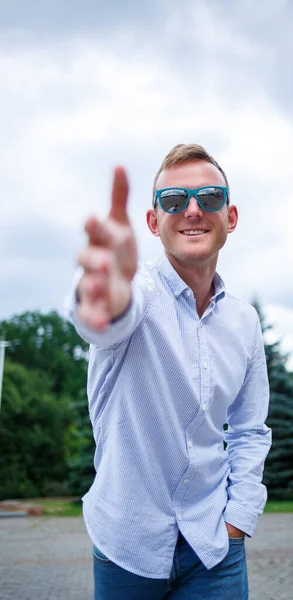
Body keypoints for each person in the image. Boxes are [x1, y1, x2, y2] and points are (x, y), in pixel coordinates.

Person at [66, 143, 271, 600]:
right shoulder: (136, 290)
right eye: (174, 200)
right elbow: (110, 314)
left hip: (215, 546)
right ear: (154, 222)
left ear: (230, 217)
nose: (193, 210)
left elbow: (249, 428)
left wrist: (240, 517)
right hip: (127, 545)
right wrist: (99, 295)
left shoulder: (244, 322)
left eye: (210, 198)